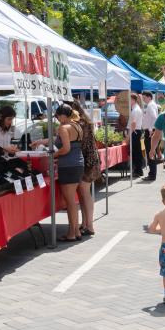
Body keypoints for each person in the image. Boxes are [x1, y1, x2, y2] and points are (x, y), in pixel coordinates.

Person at [32, 104, 84, 242]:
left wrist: (52, 156)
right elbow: (63, 142)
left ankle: (71, 233)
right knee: (72, 200)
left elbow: (65, 148)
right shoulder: (77, 126)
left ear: (62, 115)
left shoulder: (63, 127)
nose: (57, 119)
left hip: (68, 165)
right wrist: (42, 142)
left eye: (57, 116)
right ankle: (76, 231)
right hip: (78, 164)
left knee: (70, 202)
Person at [70, 100, 99, 236]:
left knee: (85, 193)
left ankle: (90, 225)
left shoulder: (79, 123)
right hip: (90, 159)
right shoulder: (85, 121)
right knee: (83, 194)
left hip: (86, 161)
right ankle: (85, 223)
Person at [141, 91, 160, 182]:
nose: (143, 100)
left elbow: (155, 117)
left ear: (149, 97)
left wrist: (151, 129)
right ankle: (152, 174)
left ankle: (152, 174)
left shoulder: (150, 105)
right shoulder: (151, 105)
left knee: (150, 153)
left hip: (149, 132)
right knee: (151, 153)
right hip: (150, 131)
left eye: (144, 98)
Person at [129, 93, 145, 178]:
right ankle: (138, 170)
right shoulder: (136, 108)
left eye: (130, 99)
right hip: (137, 131)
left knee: (136, 152)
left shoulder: (135, 109)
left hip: (135, 132)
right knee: (137, 152)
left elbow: (134, 122)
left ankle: (138, 170)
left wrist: (131, 132)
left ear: (134, 100)